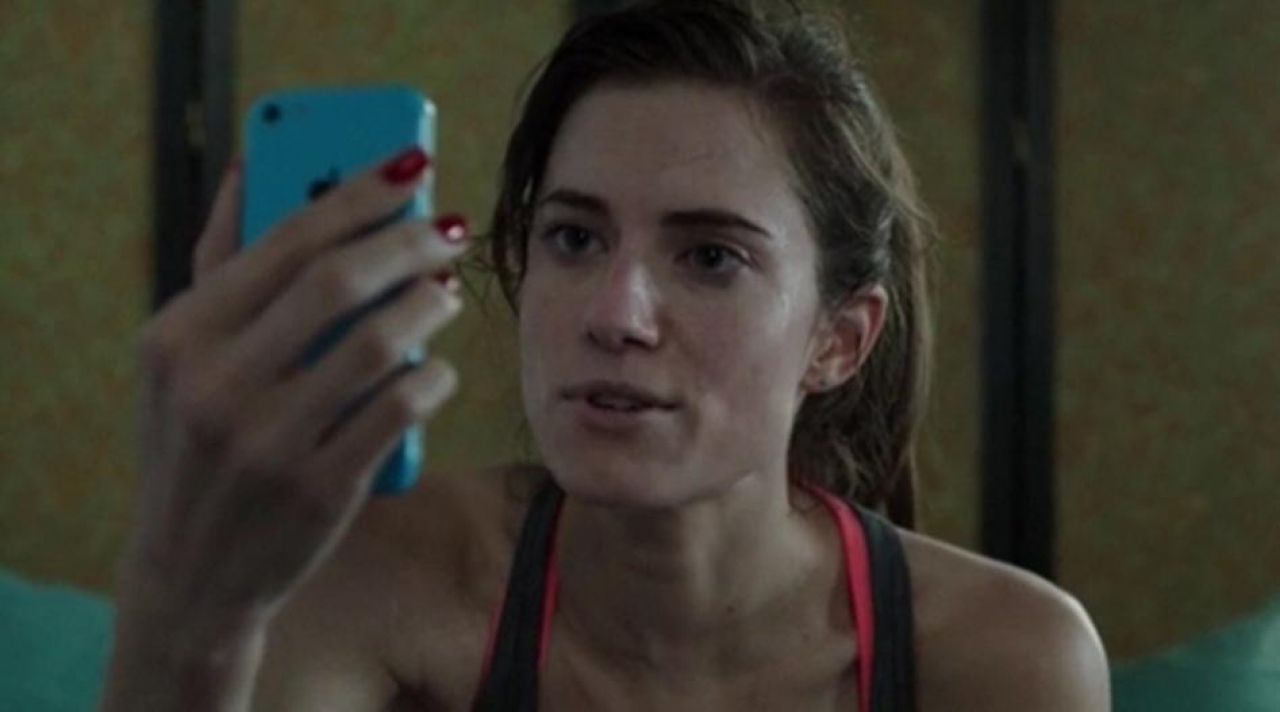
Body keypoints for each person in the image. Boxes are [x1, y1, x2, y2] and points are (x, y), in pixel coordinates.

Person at [101, 1, 1109, 709]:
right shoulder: (377, 578)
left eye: (710, 257)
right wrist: (184, 606)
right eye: (575, 238)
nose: (616, 315)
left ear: (837, 340)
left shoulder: (1000, 657)